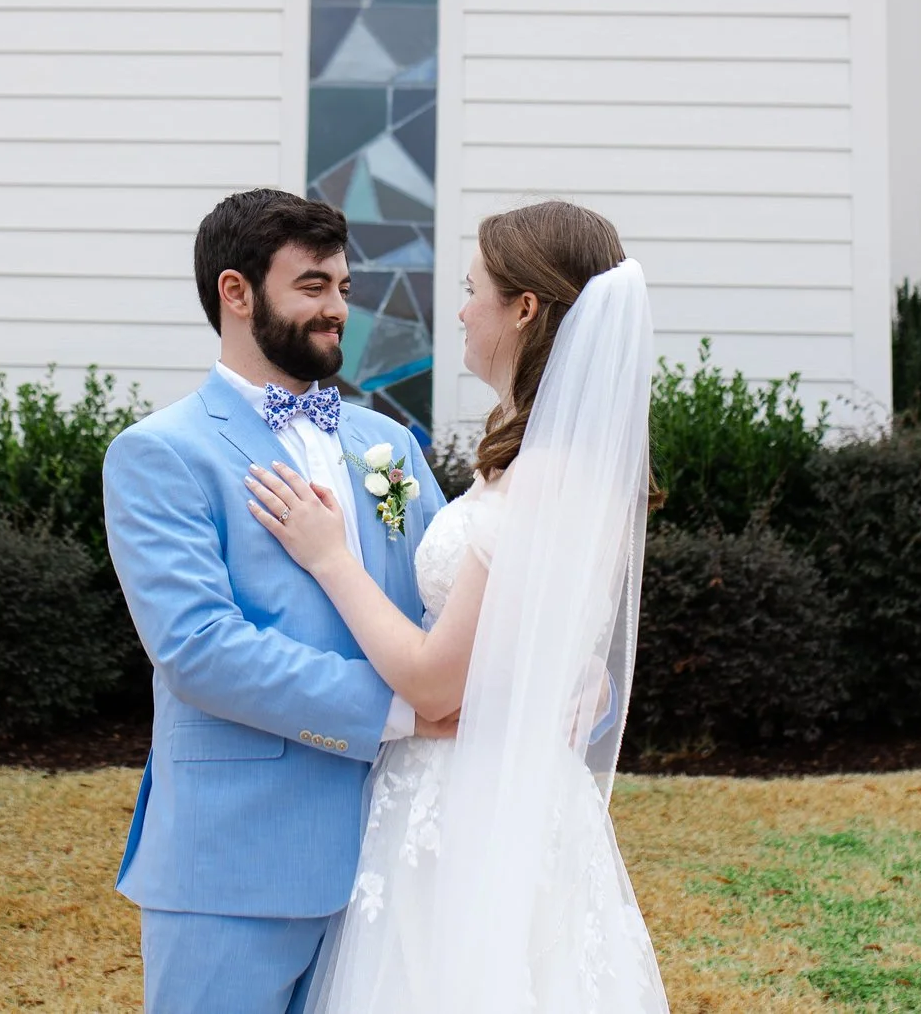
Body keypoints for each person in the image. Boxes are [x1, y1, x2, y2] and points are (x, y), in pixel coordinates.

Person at [244, 199, 669, 1013]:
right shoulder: (549, 457)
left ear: (525, 307)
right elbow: (525, 629)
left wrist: (331, 556)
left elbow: (438, 684)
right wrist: (575, 671)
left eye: (474, 288)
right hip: (509, 790)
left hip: (467, 805)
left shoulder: (541, 472)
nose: (462, 308)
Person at [102, 188, 450, 1014]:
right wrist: (405, 710)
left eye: (343, 289)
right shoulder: (160, 454)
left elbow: (446, 593)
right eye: (313, 286)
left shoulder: (388, 445)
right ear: (236, 292)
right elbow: (200, 649)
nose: (337, 309)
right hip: (236, 863)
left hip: (394, 861)